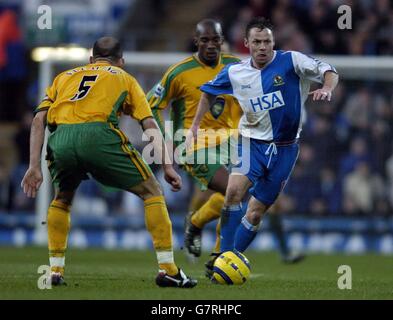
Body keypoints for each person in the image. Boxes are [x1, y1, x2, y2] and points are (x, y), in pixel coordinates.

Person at [21, 37, 197, 288]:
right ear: (121, 61)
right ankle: (168, 269)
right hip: (98, 135)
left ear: (91, 60)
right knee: (152, 192)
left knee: (62, 198)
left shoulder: (63, 77)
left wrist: (34, 166)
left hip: (61, 139)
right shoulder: (124, 78)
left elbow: (38, 120)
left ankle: (55, 271)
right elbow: (149, 124)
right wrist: (167, 165)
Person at [187, 17, 339, 272]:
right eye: (256, 42)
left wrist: (327, 87)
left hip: (285, 149)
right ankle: (221, 258)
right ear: (247, 43)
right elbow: (209, 91)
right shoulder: (235, 72)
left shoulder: (292, 60)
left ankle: (229, 259)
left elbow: (329, 70)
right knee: (233, 193)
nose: (262, 46)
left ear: (273, 42)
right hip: (250, 143)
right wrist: (194, 126)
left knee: (256, 213)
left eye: (267, 41)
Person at [147, 19, 240, 264]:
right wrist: (167, 140)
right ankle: (216, 250)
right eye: (205, 40)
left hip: (229, 143)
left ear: (222, 41)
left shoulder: (236, 66)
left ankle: (199, 229)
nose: (210, 45)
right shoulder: (179, 72)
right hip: (194, 145)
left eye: (215, 39)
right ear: (196, 40)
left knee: (234, 196)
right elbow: (152, 105)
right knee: (233, 190)